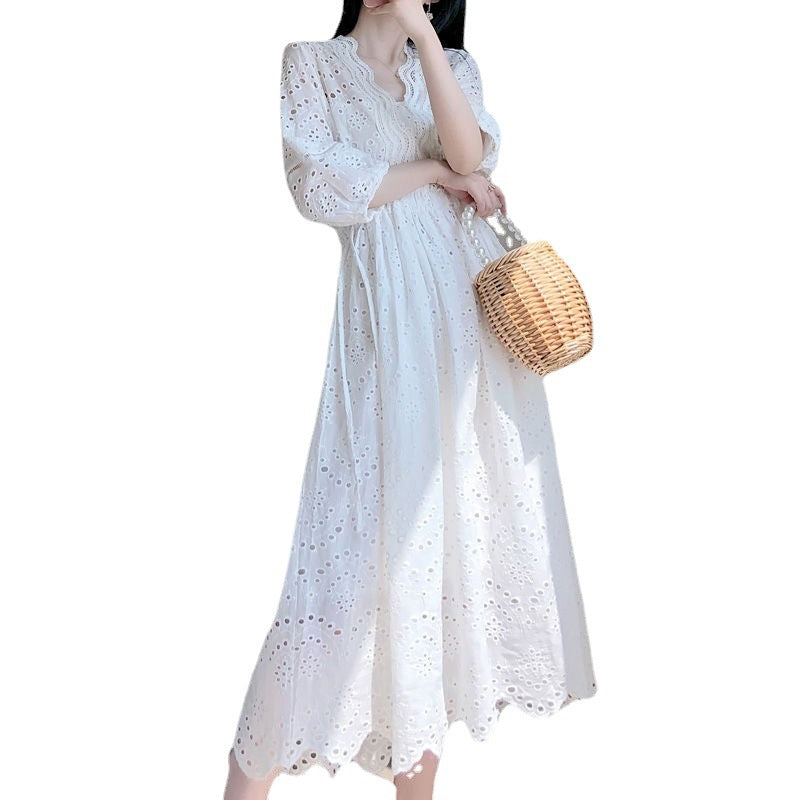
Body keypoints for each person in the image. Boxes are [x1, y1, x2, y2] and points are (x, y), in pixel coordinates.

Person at [224, 1, 597, 798]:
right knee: (343, 566)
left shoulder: (451, 68)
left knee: (438, 564)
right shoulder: (310, 65)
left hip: (466, 333)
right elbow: (321, 188)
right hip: (385, 333)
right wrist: (433, 175)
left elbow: (471, 151)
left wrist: (426, 36)